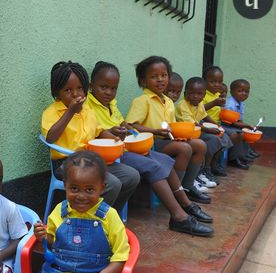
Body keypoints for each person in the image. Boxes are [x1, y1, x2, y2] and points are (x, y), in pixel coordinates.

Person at [86, 62, 212, 236]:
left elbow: (123, 123)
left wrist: (130, 132)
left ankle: (186, 204)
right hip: (110, 154)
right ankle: (179, 217)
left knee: (165, 160)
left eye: (113, 88)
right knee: (154, 165)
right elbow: (98, 132)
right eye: (104, 87)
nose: (109, 92)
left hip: (124, 147)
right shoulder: (88, 106)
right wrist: (117, 132)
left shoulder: (111, 104)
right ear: (91, 86)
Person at [41, 61, 140, 214]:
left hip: (92, 160)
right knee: (112, 183)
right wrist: (70, 112)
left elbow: (99, 131)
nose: (76, 94)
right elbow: (50, 138)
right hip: (66, 164)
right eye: (68, 90)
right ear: (57, 93)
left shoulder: (86, 109)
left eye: (80, 88)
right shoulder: (52, 112)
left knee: (131, 176)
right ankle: (88, 220)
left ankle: (108, 216)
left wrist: (114, 140)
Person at [126, 56, 210, 204]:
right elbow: (130, 125)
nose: (160, 80)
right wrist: (155, 131)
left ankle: (188, 186)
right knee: (184, 149)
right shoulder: (142, 101)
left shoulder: (169, 101)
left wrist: (178, 134)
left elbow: (170, 126)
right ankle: (175, 192)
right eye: (154, 76)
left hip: (165, 141)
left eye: (163, 75)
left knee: (200, 145)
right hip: (150, 144)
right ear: (143, 81)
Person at [175, 77, 233, 188]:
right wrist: (208, 129)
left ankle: (206, 169)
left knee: (218, 137)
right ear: (185, 93)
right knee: (212, 139)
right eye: (192, 93)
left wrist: (217, 125)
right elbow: (192, 124)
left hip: (196, 132)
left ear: (204, 94)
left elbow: (204, 116)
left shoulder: (199, 103)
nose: (196, 96)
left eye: (199, 94)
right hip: (185, 134)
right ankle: (199, 173)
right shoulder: (183, 105)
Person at [202, 67, 248, 171]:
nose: (217, 85)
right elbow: (201, 112)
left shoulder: (218, 94)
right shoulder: (202, 93)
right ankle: (211, 165)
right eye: (212, 82)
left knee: (237, 134)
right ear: (205, 80)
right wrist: (214, 103)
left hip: (218, 123)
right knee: (228, 136)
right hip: (206, 124)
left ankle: (225, 160)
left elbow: (220, 111)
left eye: (219, 82)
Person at [225, 79, 260, 162]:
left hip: (233, 124)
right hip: (226, 125)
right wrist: (247, 126)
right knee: (240, 133)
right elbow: (232, 122)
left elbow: (239, 120)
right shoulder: (230, 104)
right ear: (232, 92)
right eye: (240, 91)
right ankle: (234, 158)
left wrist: (247, 127)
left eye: (246, 91)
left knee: (247, 132)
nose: (244, 93)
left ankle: (245, 153)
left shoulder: (240, 102)